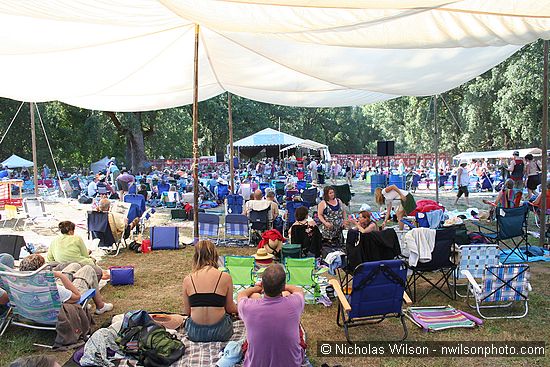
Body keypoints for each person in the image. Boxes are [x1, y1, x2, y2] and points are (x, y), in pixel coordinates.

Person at [237, 264, 305, 367]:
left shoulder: (247, 307)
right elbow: (298, 291)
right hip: (292, 363)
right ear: (282, 286)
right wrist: (282, 286)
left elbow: (241, 295)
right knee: (297, 327)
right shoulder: (295, 303)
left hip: (256, 364)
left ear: (263, 285)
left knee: (254, 296)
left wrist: (256, 288)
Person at [19, 254, 113, 314]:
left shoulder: (18, 285)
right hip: (64, 301)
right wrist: (60, 276)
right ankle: (100, 306)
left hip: (42, 303)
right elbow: (77, 297)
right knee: (88, 269)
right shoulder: (55, 289)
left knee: (74, 266)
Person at [182, 240, 237, 342]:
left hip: (195, 333)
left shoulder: (188, 279)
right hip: (221, 332)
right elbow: (230, 308)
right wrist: (242, 309)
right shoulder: (225, 277)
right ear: (215, 255)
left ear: (196, 257)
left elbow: (187, 312)